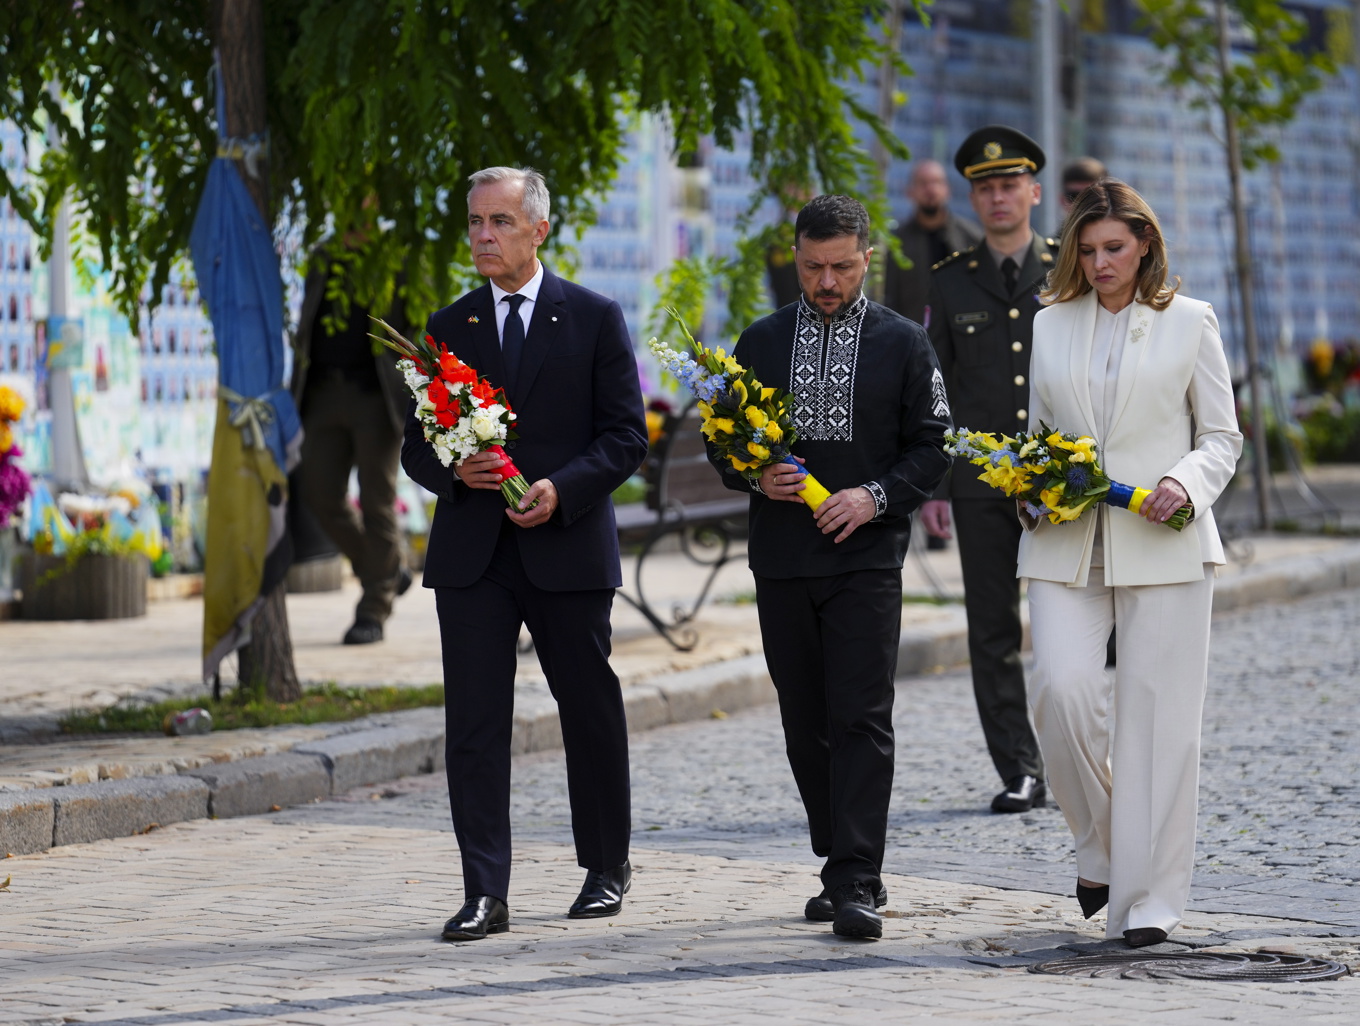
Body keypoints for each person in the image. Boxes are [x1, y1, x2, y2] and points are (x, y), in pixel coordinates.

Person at [401, 166, 648, 942]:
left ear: (539, 228)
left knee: (589, 708)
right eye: (475, 222)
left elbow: (625, 437)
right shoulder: (449, 325)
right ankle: (485, 889)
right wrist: (455, 471)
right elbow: (415, 448)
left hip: (566, 545)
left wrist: (563, 488)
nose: (483, 236)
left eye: (499, 222)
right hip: (474, 556)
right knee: (475, 723)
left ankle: (606, 866)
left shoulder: (595, 317)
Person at [710, 194, 951, 939]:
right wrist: (756, 478)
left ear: (867, 259)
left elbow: (933, 448)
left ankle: (856, 878)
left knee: (860, 716)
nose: (826, 281)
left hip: (867, 558)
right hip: (781, 559)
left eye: (841, 266)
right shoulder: (760, 339)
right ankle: (835, 854)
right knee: (802, 719)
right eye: (812, 266)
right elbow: (723, 440)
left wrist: (873, 496)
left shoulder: (905, 343)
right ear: (795, 257)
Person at [1020, 178, 1242, 947]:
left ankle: (1148, 901)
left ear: (1145, 242)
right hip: (1064, 542)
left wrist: (1183, 483)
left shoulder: (1190, 323)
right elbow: (1037, 440)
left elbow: (1222, 438)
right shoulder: (1050, 325)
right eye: (1087, 250)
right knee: (1060, 690)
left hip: (1166, 540)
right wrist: (1031, 493)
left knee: (1159, 726)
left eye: (1114, 247)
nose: (1101, 262)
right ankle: (1102, 847)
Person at [921, 126, 1055, 814]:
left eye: (1011, 185)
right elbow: (934, 387)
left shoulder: (1070, 271)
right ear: (973, 197)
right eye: (986, 187)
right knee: (992, 630)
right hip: (980, 484)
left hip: (1064, 481)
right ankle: (1020, 768)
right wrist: (938, 485)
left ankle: (1078, 757)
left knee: (1072, 626)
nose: (999, 197)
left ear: (1034, 191)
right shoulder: (949, 282)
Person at [292, 253, 412, 645]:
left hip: (377, 398)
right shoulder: (323, 259)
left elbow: (413, 330)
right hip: (322, 393)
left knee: (378, 501)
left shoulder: (394, 256)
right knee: (319, 494)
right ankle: (388, 570)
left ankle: (374, 609)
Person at [882, 159, 983, 326]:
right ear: (910, 192)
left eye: (937, 182)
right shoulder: (896, 243)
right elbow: (887, 299)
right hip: (913, 340)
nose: (930, 189)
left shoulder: (972, 237)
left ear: (947, 190)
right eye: (923, 183)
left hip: (964, 337)